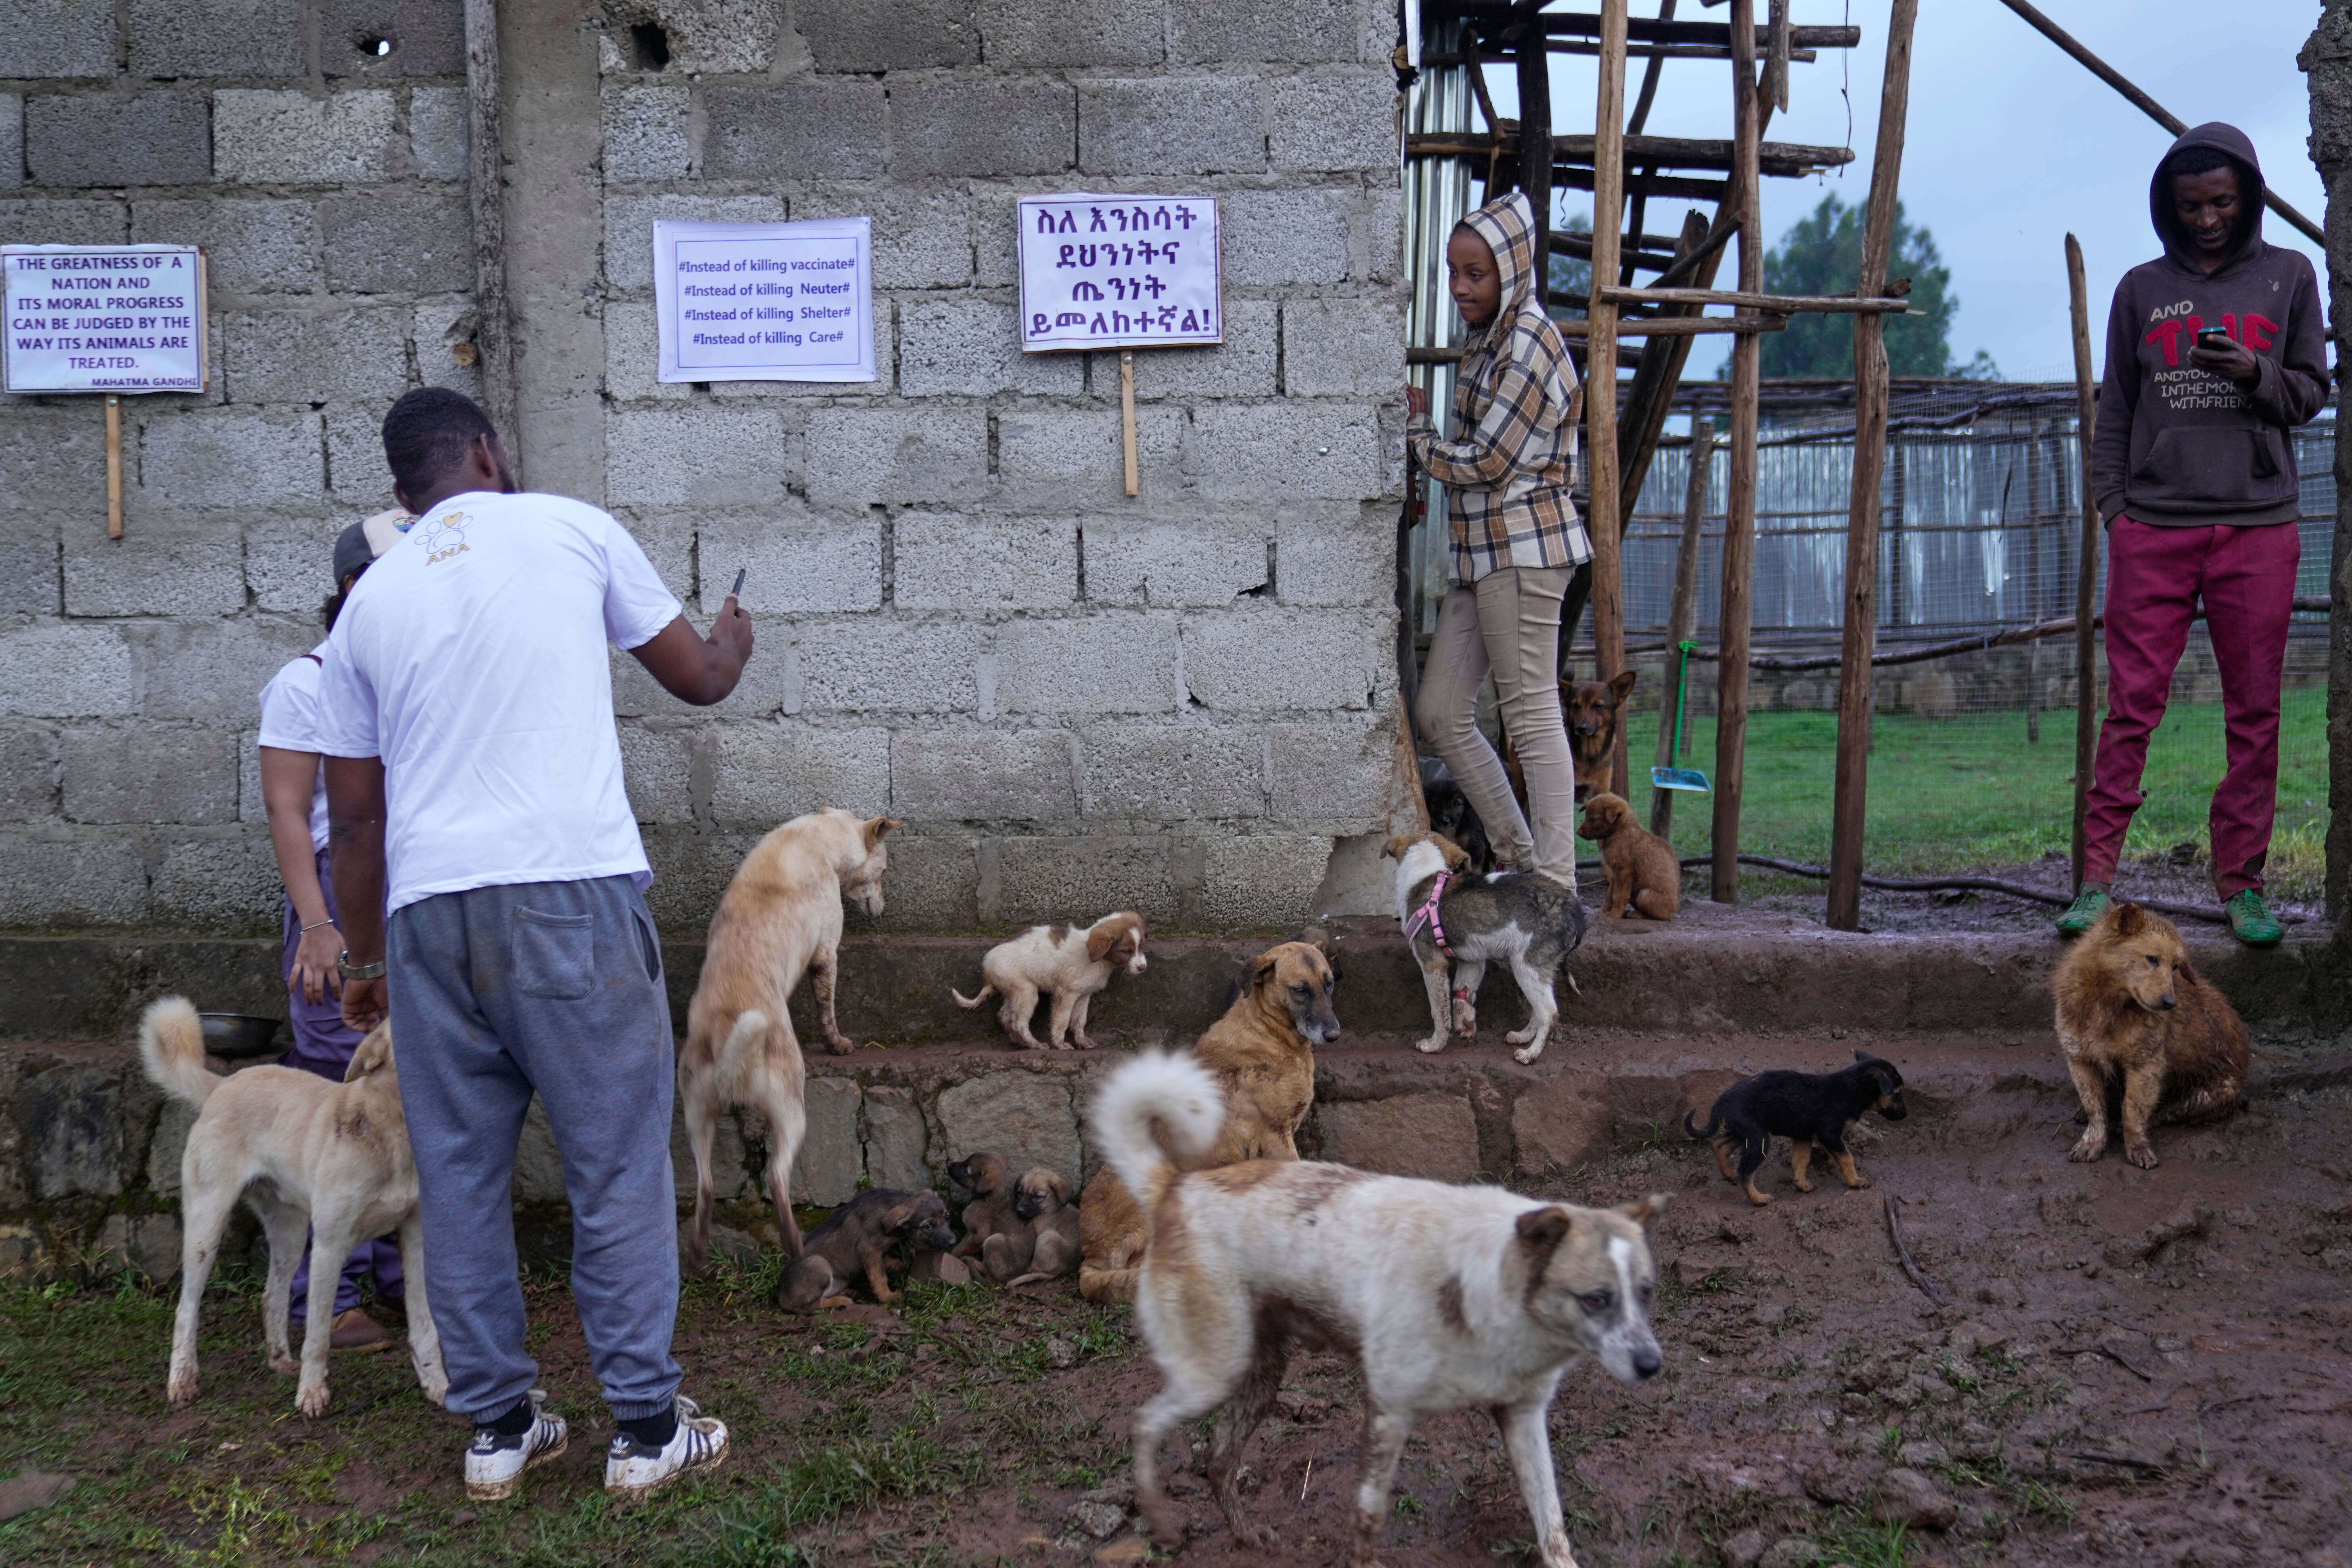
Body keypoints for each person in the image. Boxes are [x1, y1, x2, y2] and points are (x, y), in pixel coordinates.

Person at [315, 387, 756, 1503]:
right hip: (571, 897)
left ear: (402, 488)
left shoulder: (367, 606)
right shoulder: (572, 527)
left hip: (427, 918)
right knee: (612, 1164)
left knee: (459, 1181)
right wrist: (733, 642)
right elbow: (696, 678)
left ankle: (500, 1428)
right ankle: (648, 1427)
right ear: (484, 451)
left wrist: (365, 963)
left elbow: (355, 821)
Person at [2061, 123, 2327, 946]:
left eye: (2220, 201)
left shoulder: (2288, 276)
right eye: (2189, 205)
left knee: (2253, 714)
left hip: (2257, 530)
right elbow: (2115, 414)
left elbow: (2311, 390)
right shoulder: (2139, 289)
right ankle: (2094, 879)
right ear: (2166, 208)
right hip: (2154, 530)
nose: (2206, 218)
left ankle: (2241, 884)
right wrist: (2116, 509)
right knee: (2129, 708)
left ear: (2246, 196)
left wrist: (2253, 374)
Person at [256, 508, 412, 1351]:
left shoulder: (404, 674)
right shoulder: (307, 682)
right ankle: (327, 1291)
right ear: (356, 586)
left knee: (400, 1089)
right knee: (333, 1081)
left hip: (402, 893)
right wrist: (318, 924)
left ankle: (392, 1275)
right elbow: (288, 810)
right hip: (334, 894)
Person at [1404, 190, 1587, 887]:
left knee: (1532, 713)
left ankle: (1558, 885)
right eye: (1453, 272)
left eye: (1475, 273)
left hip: (1525, 551)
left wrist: (1420, 439)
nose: (1459, 287)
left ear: (1511, 269)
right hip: (1481, 555)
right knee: (1442, 712)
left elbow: (1488, 460)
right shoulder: (1491, 338)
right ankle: (1520, 856)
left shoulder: (1530, 343)